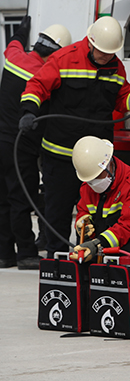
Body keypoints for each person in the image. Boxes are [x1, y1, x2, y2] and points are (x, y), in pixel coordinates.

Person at [18, 16, 130, 259]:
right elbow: (37, 86)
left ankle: (86, 256)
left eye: (110, 54)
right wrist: (28, 111)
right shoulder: (65, 58)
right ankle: (57, 259)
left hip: (98, 161)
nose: (106, 58)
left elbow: (123, 100)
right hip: (60, 155)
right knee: (58, 212)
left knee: (95, 215)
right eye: (102, 53)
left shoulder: (116, 68)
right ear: (90, 43)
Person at [0, 17, 70, 269]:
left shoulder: (14, 57)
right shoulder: (44, 75)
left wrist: (21, 28)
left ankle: (4, 253)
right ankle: (27, 254)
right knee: (21, 199)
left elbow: (13, 43)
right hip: (22, 146)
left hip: (1, 141)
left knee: (3, 199)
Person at [69, 136, 130, 262]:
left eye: (97, 176)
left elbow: (129, 227)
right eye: (90, 180)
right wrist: (82, 222)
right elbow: (83, 209)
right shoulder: (88, 186)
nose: (94, 182)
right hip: (103, 243)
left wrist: (97, 244)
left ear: (109, 164)